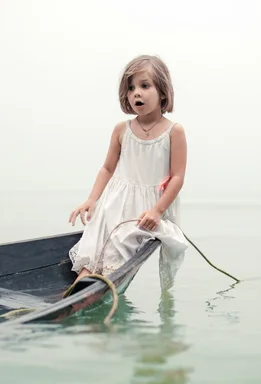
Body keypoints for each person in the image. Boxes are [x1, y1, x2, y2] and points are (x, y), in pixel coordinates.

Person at [67, 54, 188, 291]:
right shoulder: (122, 129)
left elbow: (177, 178)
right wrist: (92, 200)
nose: (136, 93)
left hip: (146, 208)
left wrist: (157, 211)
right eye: (131, 88)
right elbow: (107, 168)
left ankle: (101, 286)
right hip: (114, 201)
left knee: (118, 248)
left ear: (163, 92)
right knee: (93, 245)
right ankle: (78, 291)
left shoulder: (174, 132)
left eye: (145, 86)